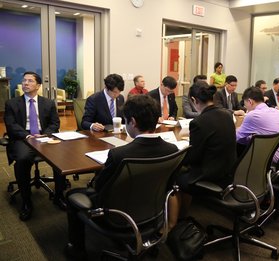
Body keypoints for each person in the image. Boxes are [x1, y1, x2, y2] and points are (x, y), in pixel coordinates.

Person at [65, 95, 179, 259]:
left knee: (72, 196)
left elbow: (99, 187)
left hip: (117, 217)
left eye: (125, 121)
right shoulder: (172, 149)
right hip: (153, 212)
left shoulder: (119, 154)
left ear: (132, 122)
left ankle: (76, 250)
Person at [169, 81, 237, 229]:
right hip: (228, 172)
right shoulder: (227, 115)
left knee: (173, 178)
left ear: (194, 100)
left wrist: (177, 154)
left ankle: (174, 224)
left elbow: (193, 158)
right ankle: (182, 217)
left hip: (209, 176)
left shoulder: (199, 122)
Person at [4, 71, 66, 221]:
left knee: (61, 157)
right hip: (23, 137)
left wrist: (45, 134)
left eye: (30, 81)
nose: (25, 83)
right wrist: (27, 136)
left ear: (38, 85)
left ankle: (59, 196)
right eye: (24, 80)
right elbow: (11, 125)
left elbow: (54, 123)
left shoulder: (48, 103)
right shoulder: (12, 103)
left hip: (43, 136)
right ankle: (26, 201)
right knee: (23, 159)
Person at [236, 87, 279, 162]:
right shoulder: (275, 111)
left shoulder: (253, 115)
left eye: (245, 105)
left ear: (250, 102)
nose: (246, 107)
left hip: (270, 159)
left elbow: (236, 137)